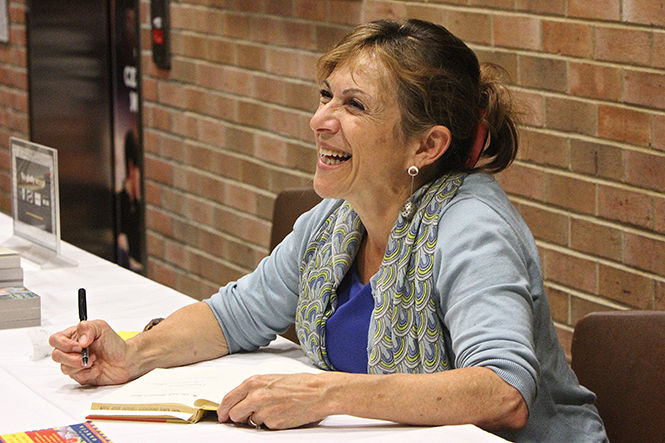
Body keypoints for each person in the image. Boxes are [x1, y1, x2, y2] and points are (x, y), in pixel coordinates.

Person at [49, 19, 607, 442]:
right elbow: (233, 316)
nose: (320, 120)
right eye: (326, 95)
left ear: (427, 145)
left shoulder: (472, 227)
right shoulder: (336, 220)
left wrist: (326, 394)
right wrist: (134, 352)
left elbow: (503, 392)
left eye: (354, 105)